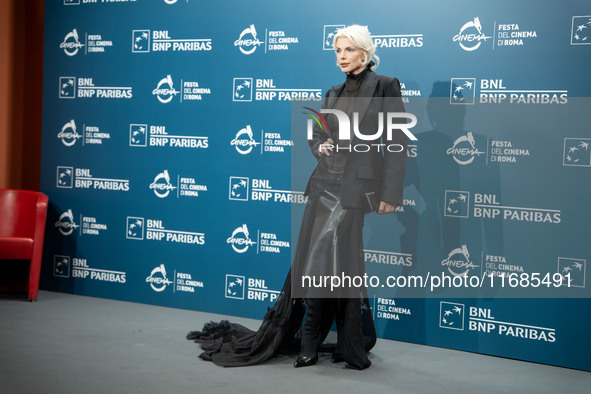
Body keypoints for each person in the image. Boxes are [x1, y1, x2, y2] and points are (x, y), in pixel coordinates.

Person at [187, 24, 407, 370]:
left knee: (335, 264)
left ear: (365, 52)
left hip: (354, 191)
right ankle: (313, 341)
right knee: (316, 262)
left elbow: (397, 143)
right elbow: (316, 132)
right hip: (322, 186)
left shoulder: (385, 86)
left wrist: (391, 193)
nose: (341, 57)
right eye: (337, 51)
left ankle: (341, 341)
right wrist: (320, 144)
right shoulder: (333, 92)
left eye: (348, 50)